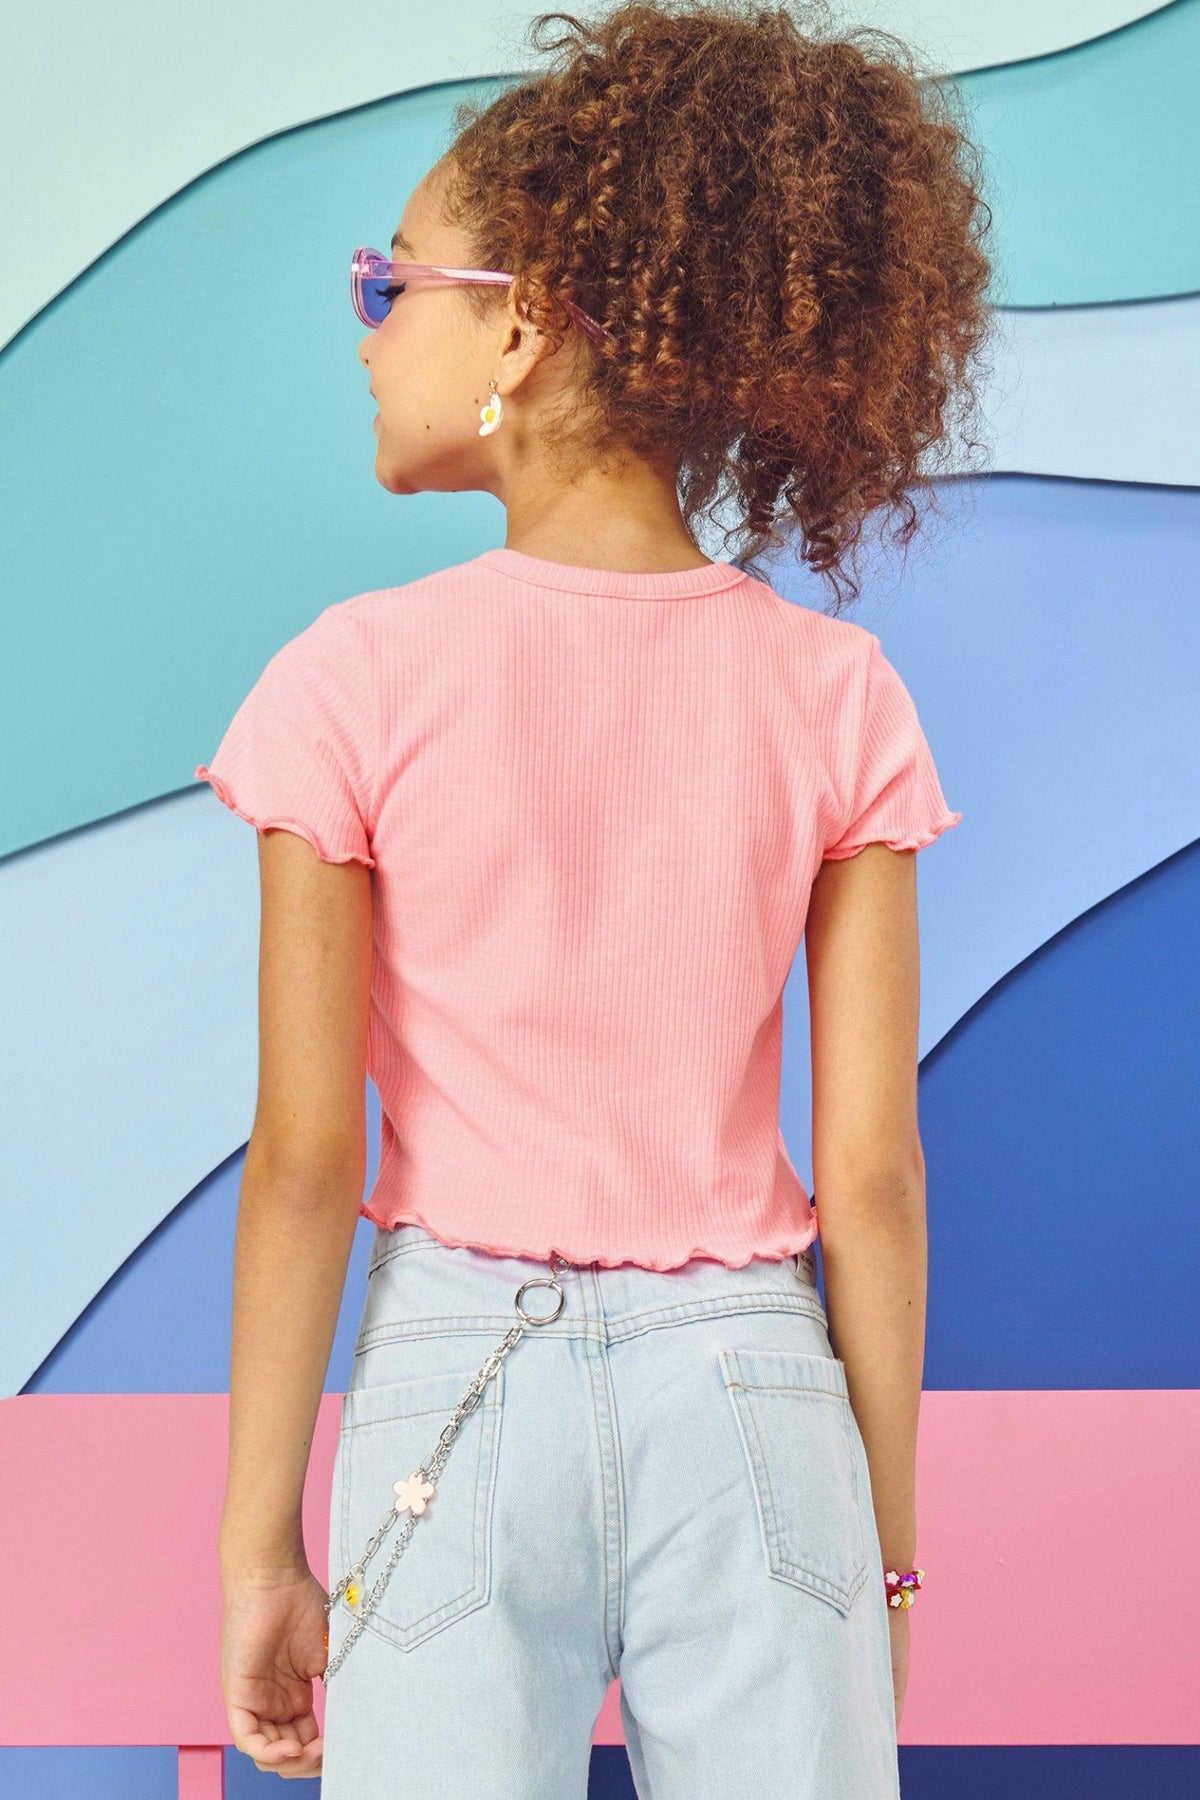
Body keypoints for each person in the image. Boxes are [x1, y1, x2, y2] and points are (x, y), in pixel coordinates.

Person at [197, 2, 989, 1791]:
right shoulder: (836, 693)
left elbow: (306, 1156)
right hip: (756, 1391)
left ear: (524, 323)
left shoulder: (349, 682)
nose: (368, 329)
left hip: (455, 1390)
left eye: (393, 283)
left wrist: (262, 1550)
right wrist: (884, 1557)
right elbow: (871, 1172)